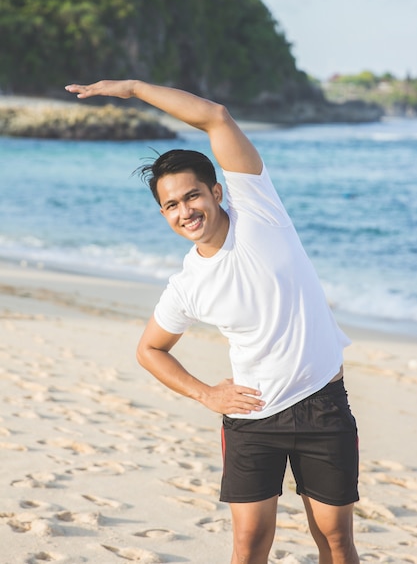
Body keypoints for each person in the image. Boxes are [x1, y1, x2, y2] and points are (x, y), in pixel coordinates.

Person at [65, 79, 360, 564]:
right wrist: (206, 393)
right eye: (171, 206)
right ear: (164, 215)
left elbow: (215, 117)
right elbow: (149, 350)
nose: (186, 211)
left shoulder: (259, 213)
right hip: (251, 418)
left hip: (322, 408)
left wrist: (134, 89)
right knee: (248, 545)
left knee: (334, 540)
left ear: (217, 191)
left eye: (192, 196)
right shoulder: (187, 284)